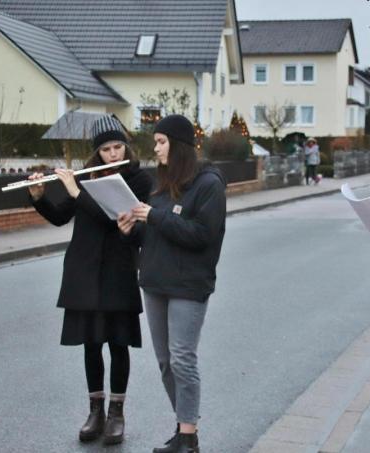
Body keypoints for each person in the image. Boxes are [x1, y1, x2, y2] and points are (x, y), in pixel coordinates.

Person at [27, 115, 152, 445]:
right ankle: (95, 411)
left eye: (117, 147)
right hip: (83, 271)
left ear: (125, 146)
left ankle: (116, 414)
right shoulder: (86, 177)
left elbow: (114, 219)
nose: (113, 154)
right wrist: (39, 196)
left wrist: (75, 191)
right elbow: (60, 217)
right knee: (92, 343)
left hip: (119, 270)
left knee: (118, 343)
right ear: (97, 153)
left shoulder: (138, 180)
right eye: (106, 149)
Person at [117, 114, 227, 453]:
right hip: (154, 281)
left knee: (182, 358)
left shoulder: (209, 185)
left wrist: (155, 216)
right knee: (165, 361)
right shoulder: (161, 184)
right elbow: (156, 231)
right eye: (156, 142)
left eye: (161, 142)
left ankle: (189, 437)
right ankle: (182, 429)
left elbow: (203, 236)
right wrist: (133, 229)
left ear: (178, 146)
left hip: (188, 285)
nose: (156, 148)